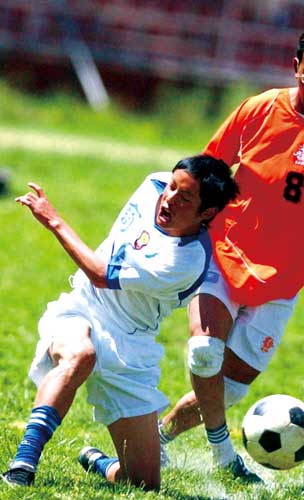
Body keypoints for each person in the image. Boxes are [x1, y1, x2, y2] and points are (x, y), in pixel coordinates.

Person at [157, 23, 304, 482]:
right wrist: (181, 222)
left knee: (227, 390)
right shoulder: (258, 108)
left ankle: (158, 436)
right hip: (225, 254)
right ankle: (224, 454)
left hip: (283, 279)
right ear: (295, 67)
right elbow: (206, 168)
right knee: (204, 353)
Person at [2, 154, 239, 490]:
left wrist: (53, 220)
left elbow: (100, 273)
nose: (169, 198)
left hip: (132, 345)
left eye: (185, 198)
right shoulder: (154, 184)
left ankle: (98, 461)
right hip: (84, 306)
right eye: (173, 186)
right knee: (80, 355)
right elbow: (94, 284)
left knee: (144, 483)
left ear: (207, 213)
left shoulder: (185, 260)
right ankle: (23, 464)